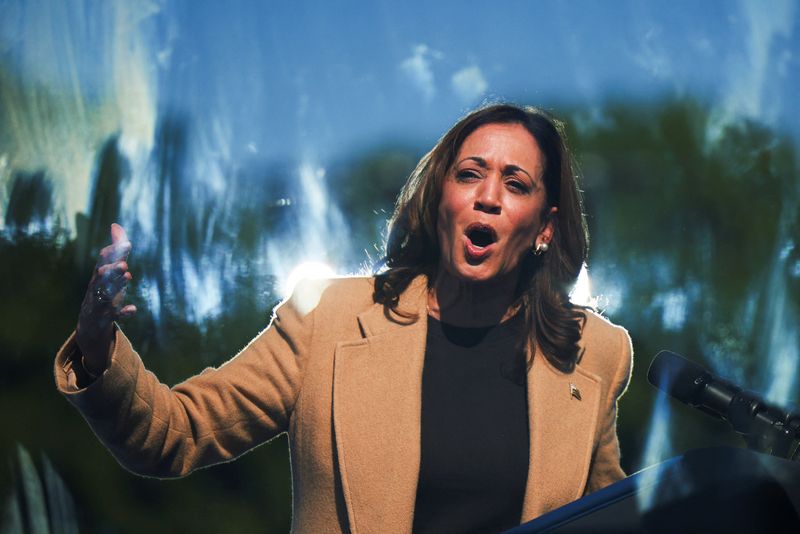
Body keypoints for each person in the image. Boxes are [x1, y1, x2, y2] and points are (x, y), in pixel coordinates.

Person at [55, 103, 633, 533]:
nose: (488, 196)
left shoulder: (595, 354)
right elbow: (171, 436)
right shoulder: (327, 321)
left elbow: (607, 518)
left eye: (515, 183)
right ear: (440, 200)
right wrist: (98, 345)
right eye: (469, 174)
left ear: (546, 227)